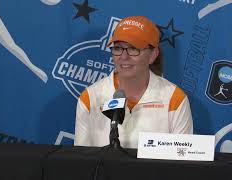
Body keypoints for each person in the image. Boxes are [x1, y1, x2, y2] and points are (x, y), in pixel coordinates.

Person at [74, 16, 193, 148]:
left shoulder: (174, 99)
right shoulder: (89, 98)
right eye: (118, 48)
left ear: (153, 55)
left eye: (133, 48)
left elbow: (182, 164)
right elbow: (81, 161)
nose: (124, 57)